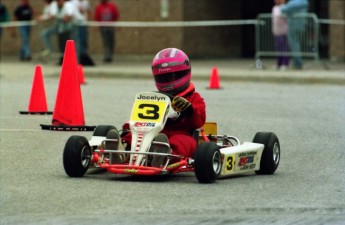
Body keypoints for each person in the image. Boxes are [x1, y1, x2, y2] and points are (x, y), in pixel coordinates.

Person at [107, 48, 206, 167]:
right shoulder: (154, 97)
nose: (169, 81)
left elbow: (200, 120)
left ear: (185, 73)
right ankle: (121, 152)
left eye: (173, 76)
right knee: (131, 135)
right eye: (164, 78)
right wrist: (129, 127)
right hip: (151, 132)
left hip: (181, 133)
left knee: (184, 143)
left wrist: (189, 110)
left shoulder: (194, 98)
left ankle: (163, 155)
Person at [280, 0, 309, 70]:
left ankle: (298, 63)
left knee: (294, 45)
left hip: (294, 25)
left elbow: (284, 9)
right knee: (296, 45)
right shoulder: (304, 2)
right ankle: (297, 63)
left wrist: (283, 5)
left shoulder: (293, 3)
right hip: (301, 25)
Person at [50, 0, 74, 65]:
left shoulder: (67, 6)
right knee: (61, 46)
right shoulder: (58, 9)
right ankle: (62, 60)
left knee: (66, 46)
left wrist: (63, 18)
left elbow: (68, 17)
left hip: (66, 30)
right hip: (60, 30)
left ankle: (68, 60)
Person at [70, 0, 94, 66]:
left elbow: (89, 11)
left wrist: (88, 22)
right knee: (76, 41)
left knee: (83, 41)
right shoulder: (73, 2)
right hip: (76, 24)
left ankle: (83, 57)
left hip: (83, 24)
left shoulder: (86, 2)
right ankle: (77, 58)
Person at [272, 0, 289, 70]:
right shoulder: (274, 8)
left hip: (284, 31)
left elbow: (286, 18)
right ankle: (279, 63)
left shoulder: (285, 7)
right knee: (278, 48)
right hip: (277, 30)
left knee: (284, 48)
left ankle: (285, 63)